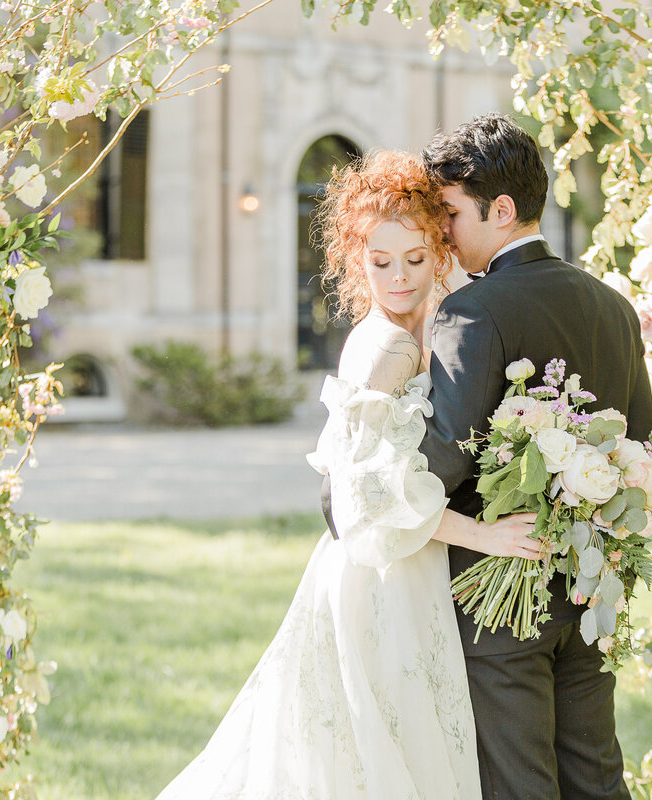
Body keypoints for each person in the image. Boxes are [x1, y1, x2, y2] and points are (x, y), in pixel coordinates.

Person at [154, 150, 543, 800]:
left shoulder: (439, 320)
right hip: (378, 579)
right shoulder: (385, 346)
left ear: (438, 250)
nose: (397, 278)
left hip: (412, 568)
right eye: (379, 262)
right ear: (354, 259)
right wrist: (489, 536)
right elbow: (364, 499)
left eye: (414, 260)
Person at [418, 112, 652, 800]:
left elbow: (444, 461)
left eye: (450, 213)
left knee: (520, 787)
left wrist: (366, 478)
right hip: (589, 590)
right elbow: (642, 450)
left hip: (501, 601)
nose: (442, 232)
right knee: (596, 780)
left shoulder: (473, 311)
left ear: (500, 209)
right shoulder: (614, 306)